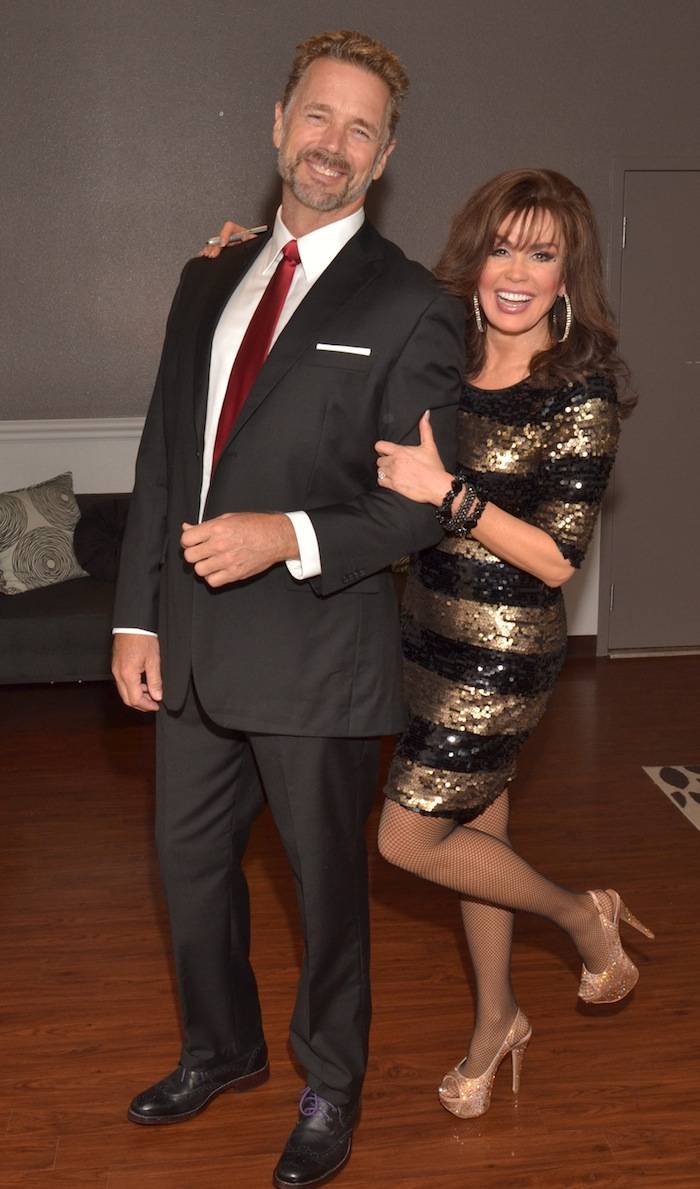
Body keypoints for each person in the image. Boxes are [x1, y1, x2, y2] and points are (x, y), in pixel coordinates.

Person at [111, 29, 465, 1189]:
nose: (333, 144)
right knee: (191, 871)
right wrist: (135, 617)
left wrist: (288, 534)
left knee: (326, 896)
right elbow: (166, 453)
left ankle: (331, 1086)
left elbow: (415, 508)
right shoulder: (209, 275)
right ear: (278, 124)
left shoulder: (412, 304)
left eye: (362, 129)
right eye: (318, 115)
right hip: (190, 652)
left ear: (385, 157)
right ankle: (221, 1049)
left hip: (317, 655)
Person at [372, 168, 654, 1119]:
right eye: (503, 248)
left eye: (542, 253)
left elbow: (557, 557)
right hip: (427, 629)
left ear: (569, 274)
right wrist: (255, 255)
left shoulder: (579, 393)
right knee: (478, 834)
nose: (518, 272)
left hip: (502, 656)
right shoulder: (443, 353)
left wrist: (447, 493)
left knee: (408, 837)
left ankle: (582, 913)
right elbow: (359, 284)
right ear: (476, 256)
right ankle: (498, 1020)